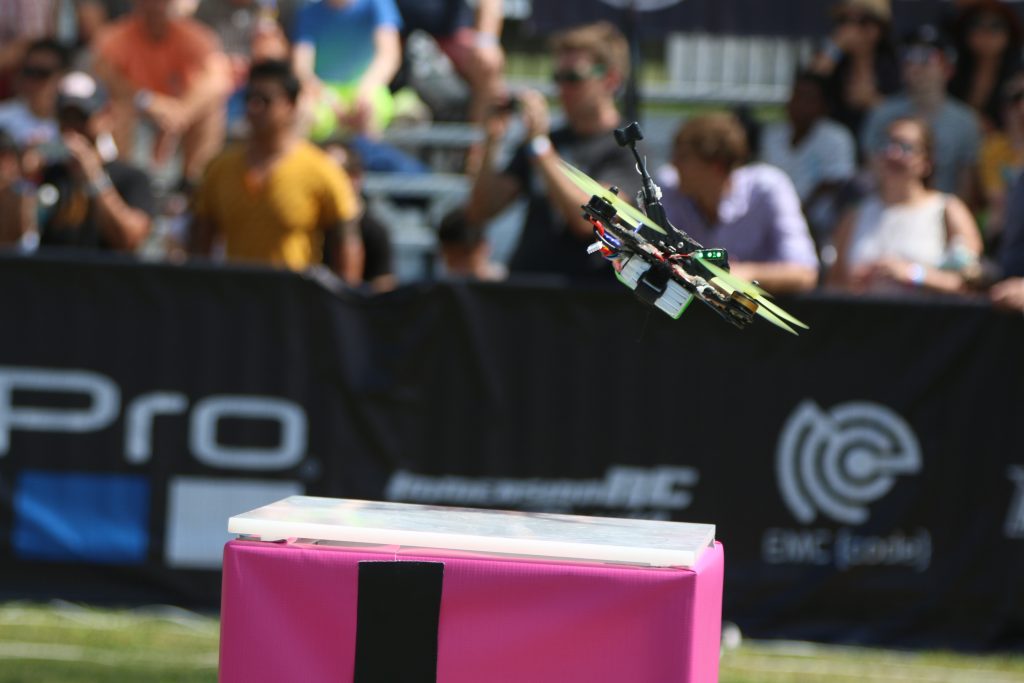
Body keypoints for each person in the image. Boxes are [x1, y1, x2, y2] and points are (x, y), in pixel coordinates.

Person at [465, 21, 638, 280]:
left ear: (610, 79)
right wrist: (492, 140)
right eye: (558, 78)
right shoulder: (547, 142)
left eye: (574, 78)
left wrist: (541, 148)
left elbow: (589, 223)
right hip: (527, 291)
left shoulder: (627, 148)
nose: (563, 89)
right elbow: (480, 211)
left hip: (585, 302)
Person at [190, 60, 363, 284]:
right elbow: (202, 237)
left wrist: (343, 305)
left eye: (265, 100)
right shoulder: (220, 168)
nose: (254, 108)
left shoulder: (320, 170)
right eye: (249, 98)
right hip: (235, 299)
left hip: (293, 303)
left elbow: (346, 242)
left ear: (290, 105)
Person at [660, 112, 819, 294]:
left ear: (716, 166)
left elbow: (805, 273)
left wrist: (740, 275)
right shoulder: (668, 187)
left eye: (683, 157)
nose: (673, 164)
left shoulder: (769, 187)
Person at [0, 71, 155, 251]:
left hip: (105, 277)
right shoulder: (50, 174)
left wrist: (94, 177)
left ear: (105, 117)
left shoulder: (130, 177)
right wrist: (23, 181)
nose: (73, 128)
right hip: (52, 275)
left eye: (81, 117)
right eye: (66, 117)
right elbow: (9, 240)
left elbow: (131, 239)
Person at [828, 117, 982, 294]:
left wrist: (912, 274)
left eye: (906, 147)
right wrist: (855, 282)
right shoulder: (855, 214)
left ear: (927, 162)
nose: (893, 153)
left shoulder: (948, 209)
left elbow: (970, 284)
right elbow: (834, 285)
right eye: (887, 143)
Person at [91, 0, 232, 187]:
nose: (157, 6)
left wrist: (181, 112)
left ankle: (194, 184)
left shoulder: (195, 36)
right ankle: (124, 183)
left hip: (179, 119)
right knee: (116, 111)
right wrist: (148, 102)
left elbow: (218, 80)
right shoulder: (116, 36)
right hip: (137, 114)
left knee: (211, 112)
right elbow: (105, 75)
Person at [861, 24, 982, 199]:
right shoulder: (881, 114)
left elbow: (966, 188)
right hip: (889, 210)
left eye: (927, 58)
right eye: (909, 56)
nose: (916, 65)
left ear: (948, 69)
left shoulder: (966, 121)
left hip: (942, 215)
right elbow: (872, 173)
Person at [760, 70, 857, 243]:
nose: (799, 103)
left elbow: (836, 183)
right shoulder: (772, 134)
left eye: (808, 98)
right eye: (796, 95)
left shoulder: (837, 137)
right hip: (771, 218)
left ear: (824, 105)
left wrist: (796, 212)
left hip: (821, 226)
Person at [292, 0, 403, 140]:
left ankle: (368, 156)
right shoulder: (308, 12)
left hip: (368, 88)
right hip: (323, 95)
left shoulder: (377, 4)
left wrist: (365, 90)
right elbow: (301, 69)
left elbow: (389, 55)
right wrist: (325, 95)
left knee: (368, 110)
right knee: (304, 111)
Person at [393, 0, 505, 125]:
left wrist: (486, 41)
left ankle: (480, 141)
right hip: (394, 37)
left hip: (450, 36)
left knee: (487, 63)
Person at [811, 0, 901, 139]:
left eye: (862, 21)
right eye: (844, 20)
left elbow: (860, 99)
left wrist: (861, 55)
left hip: (879, 143)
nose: (850, 29)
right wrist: (834, 46)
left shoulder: (893, 63)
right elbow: (811, 83)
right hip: (833, 143)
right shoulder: (835, 59)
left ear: (878, 28)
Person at [321, 139, 397, 292]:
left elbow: (383, 288)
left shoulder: (374, 231)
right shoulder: (307, 225)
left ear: (355, 177)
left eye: (333, 175)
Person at [948, 0, 1022, 132]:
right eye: (977, 25)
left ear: (1010, 32)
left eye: (996, 26)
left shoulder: (1019, 76)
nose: (986, 33)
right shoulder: (952, 71)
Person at [0, 39, 69, 151]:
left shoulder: (74, 118)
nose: (34, 80)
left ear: (61, 76)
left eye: (42, 73)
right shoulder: (3, 119)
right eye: (30, 72)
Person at [437, 206, 506, 281]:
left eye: (465, 254)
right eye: (453, 257)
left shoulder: (506, 282)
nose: (460, 266)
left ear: (484, 247)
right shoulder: (437, 285)